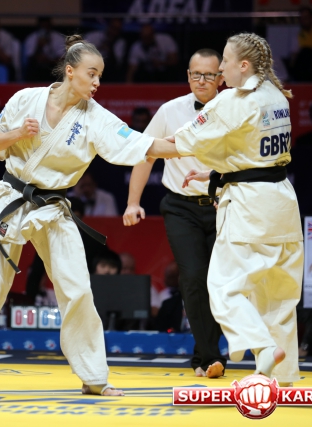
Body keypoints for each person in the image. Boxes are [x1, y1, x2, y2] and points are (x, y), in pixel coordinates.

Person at [0, 35, 169, 396]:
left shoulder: (96, 117)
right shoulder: (26, 99)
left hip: (52, 208)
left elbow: (142, 145)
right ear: (70, 71)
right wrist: (18, 132)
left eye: (100, 76)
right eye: (92, 74)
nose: (97, 83)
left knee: (77, 288)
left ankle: (94, 377)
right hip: (11, 198)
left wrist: (189, 146)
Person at [145, 33, 303, 386]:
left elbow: (178, 144)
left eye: (225, 64)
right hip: (281, 200)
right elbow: (250, 151)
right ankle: (284, 378)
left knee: (222, 287)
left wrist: (128, 144)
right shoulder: (276, 94)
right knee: (278, 295)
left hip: (249, 205)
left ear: (242, 66)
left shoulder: (233, 100)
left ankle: (262, 346)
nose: (220, 73)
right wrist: (217, 172)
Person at [124, 48, 227, 378]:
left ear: (221, 78)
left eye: (209, 75)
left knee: (219, 281)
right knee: (193, 277)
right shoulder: (170, 110)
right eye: (196, 74)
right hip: (181, 207)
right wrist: (133, 202)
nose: (201, 80)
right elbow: (145, 154)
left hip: (224, 205)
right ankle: (209, 357)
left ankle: (205, 354)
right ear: (187, 76)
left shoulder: (235, 109)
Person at [24, 16, 65, 82]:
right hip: (36, 67)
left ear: (50, 26)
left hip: (52, 65)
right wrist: (39, 46)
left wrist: (49, 60)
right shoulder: (31, 38)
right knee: (31, 69)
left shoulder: (58, 38)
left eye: (46, 26)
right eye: (42, 27)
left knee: (60, 69)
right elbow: (29, 58)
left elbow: (62, 58)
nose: (44, 29)